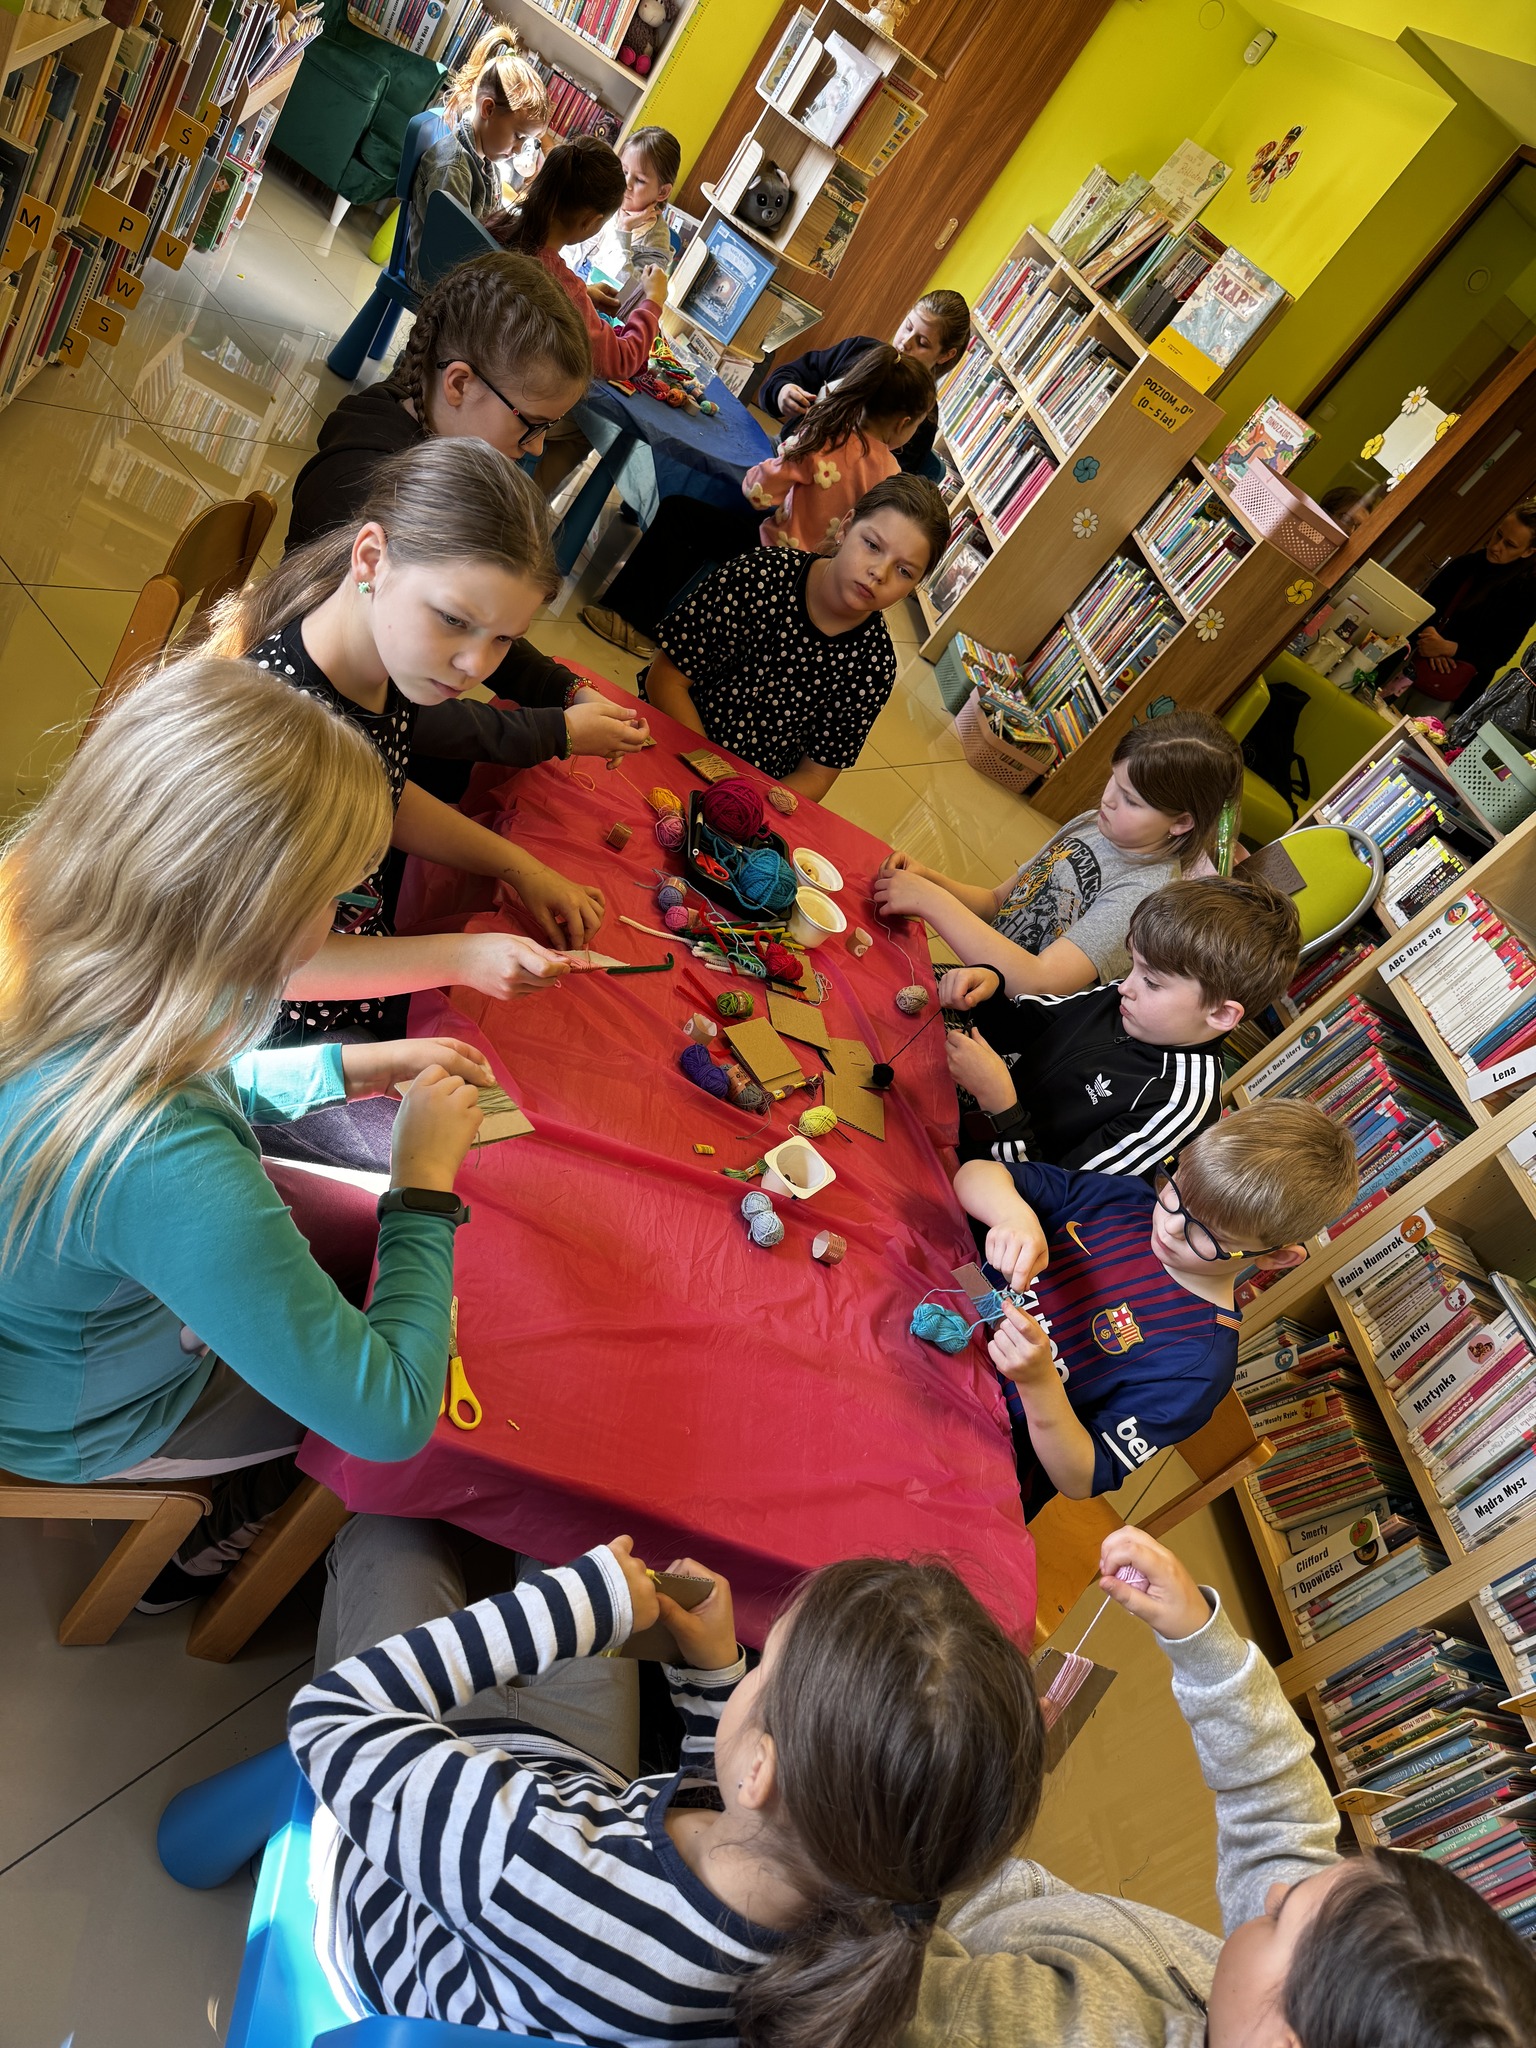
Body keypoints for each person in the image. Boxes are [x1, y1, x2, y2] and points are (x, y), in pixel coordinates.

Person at [0, 659, 491, 1604]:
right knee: (393, 1400)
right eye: (336, 900)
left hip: (45, 1331)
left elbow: (179, 1079)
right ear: (250, 921)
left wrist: (344, 1069)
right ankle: (200, 1546)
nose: (342, 917)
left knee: (334, 1247)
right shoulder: (162, 1159)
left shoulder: (53, 935)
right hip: (77, 1423)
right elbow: (388, 1417)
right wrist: (423, 1186)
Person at [289, 1531, 1044, 2043]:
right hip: (565, 1812)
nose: (751, 1675)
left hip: (405, 1894)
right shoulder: (843, 1911)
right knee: (551, 1544)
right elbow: (735, 1816)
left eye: (764, 1670)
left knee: (390, 1538)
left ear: (760, 1770)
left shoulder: (544, 1873)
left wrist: (567, 1609)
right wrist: (717, 1672)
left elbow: (331, 1720)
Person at [908, 1523, 1536, 2048]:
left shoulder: (1019, 2030)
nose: (1276, 1892)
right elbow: (1280, 1820)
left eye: (1281, 1915)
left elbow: (883, 1988)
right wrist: (1201, 1640)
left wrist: (929, 1830)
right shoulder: (1280, 1989)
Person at [202, 437, 599, 1048]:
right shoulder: (288, 741)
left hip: (354, 953)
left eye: (502, 639)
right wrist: (461, 959)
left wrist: (521, 867)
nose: (475, 666)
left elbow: (382, 792)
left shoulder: (376, 660)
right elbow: (276, 965)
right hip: (268, 1032)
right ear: (370, 559)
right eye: (454, 620)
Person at [286, 252, 650, 796]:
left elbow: (472, 619)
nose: (538, 447)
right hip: (324, 748)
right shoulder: (363, 486)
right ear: (458, 383)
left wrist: (561, 689)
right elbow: (388, 709)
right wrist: (555, 732)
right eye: (531, 423)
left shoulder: (420, 440)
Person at [953, 1101, 1357, 1515]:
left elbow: (1080, 1476)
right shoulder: (1125, 1199)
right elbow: (975, 1174)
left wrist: (1039, 1383)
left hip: (976, 1451)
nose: (1171, 1226)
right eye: (1176, 1190)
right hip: (936, 1340)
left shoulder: (1197, 1365)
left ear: (1275, 1258)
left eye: (1208, 1233)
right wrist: (1013, 1215)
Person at [582, 344, 937, 652]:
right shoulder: (892, 474)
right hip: (822, 577)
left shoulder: (827, 434)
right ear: (902, 423)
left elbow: (758, 493)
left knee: (681, 515)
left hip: (773, 560)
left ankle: (634, 623)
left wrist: (774, 462)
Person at [874, 711, 1245, 999]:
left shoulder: (1142, 897)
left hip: (1002, 1036)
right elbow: (998, 902)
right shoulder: (1093, 824)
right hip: (972, 984)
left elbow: (1039, 981)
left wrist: (932, 901)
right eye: (1114, 780)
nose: (1108, 799)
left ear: (1180, 822)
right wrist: (930, 880)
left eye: (1131, 800)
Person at [946, 876, 1302, 1175]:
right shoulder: (1128, 999)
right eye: (1134, 965)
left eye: (1152, 981)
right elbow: (1028, 1025)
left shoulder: (1177, 1107)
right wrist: (987, 992)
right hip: (962, 1132)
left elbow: (1055, 1198)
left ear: (1221, 1014)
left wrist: (1002, 1109)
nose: (1124, 986)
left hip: (987, 1195)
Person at [638, 472, 950, 801]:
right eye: (872, 545)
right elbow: (665, 681)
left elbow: (817, 773)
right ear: (845, 528)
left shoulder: (874, 666)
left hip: (755, 795)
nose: (879, 573)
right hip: (671, 737)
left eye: (903, 571)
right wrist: (713, 776)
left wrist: (751, 802)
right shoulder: (758, 576)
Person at [491, 134, 665, 385]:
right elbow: (622, 360)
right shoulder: (557, 286)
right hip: (506, 381)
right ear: (590, 221)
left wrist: (584, 293)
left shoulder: (497, 225)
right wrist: (653, 302)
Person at [759, 288, 971, 481]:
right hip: (784, 453)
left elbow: (885, 490)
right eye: (907, 327)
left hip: (832, 491)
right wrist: (782, 391)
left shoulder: (921, 414)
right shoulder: (859, 349)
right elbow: (787, 376)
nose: (905, 342)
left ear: (945, 355)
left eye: (922, 343)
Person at [405, 26, 549, 291]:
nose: (519, 149)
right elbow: (451, 248)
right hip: (432, 279)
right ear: (488, 109)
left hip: (455, 273)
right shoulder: (452, 169)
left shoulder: (487, 164)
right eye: (518, 136)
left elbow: (485, 225)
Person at [1396, 503, 1536, 718]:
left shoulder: (1526, 593)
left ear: (1528, 552)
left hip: (1452, 692)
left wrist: (1450, 648)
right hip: (1410, 665)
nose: (1496, 546)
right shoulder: (1466, 564)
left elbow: (1499, 655)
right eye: (1498, 534)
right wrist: (1429, 635)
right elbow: (1421, 610)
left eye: (1509, 545)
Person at [570, 123, 681, 298]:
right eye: (624, 172)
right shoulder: (604, 195)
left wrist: (624, 232)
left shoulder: (656, 243)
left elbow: (628, 296)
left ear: (662, 192)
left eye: (640, 180)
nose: (626, 184)